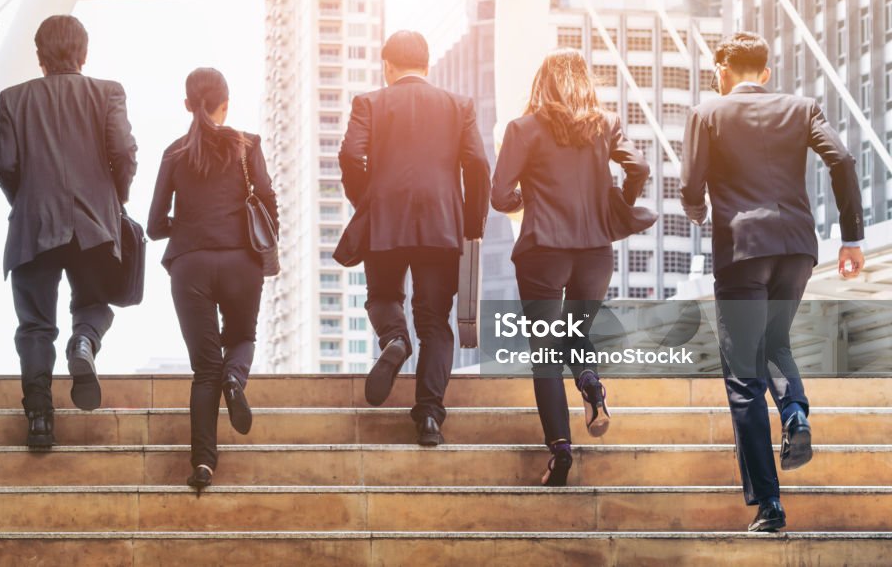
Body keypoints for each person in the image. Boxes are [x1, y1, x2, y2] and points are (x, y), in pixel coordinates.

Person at [681, 32, 865, 532]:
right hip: (797, 248)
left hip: (742, 252)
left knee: (743, 378)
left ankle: (770, 505)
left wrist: (697, 210)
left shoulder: (706, 113)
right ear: (764, 73)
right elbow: (843, 161)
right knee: (774, 341)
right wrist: (851, 238)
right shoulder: (802, 107)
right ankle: (795, 413)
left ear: (722, 69)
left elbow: (690, 186)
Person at [490, 49, 650, 486]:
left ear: (542, 83)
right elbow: (639, 167)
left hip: (543, 249)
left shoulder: (522, 129)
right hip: (596, 249)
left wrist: (528, 202)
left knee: (545, 352)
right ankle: (590, 379)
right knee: (576, 333)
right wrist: (618, 203)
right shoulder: (605, 124)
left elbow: (500, 195)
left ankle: (560, 450)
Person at [339, 30, 490, 446]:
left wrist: (368, 199)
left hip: (385, 219)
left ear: (387, 66)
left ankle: (394, 340)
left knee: (384, 296)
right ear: (427, 66)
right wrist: (471, 222)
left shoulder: (369, 102)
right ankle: (428, 417)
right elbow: (477, 163)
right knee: (436, 324)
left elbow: (351, 155)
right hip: (441, 226)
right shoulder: (459, 106)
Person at [0, 15, 137, 447]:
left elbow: (5, 165)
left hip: (33, 224)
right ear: (84, 52)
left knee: (34, 325)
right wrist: (116, 197)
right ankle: (83, 342)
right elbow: (124, 151)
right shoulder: (107, 92)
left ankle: (39, 418)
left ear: (39, 57)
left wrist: (27, 200)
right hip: (94, 222)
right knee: (94, 302)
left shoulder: (12, 99)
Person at [147, 67, 277, 490]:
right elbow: (269, 201)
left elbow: (153, 224)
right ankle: (236, 380)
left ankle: (202, 465)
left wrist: (184, 224)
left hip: (190, 265)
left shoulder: (174, 152)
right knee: (241, 338)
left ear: (187, 105)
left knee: (204, 370)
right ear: (226, 103)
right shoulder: (247, 145)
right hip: (242, 261)